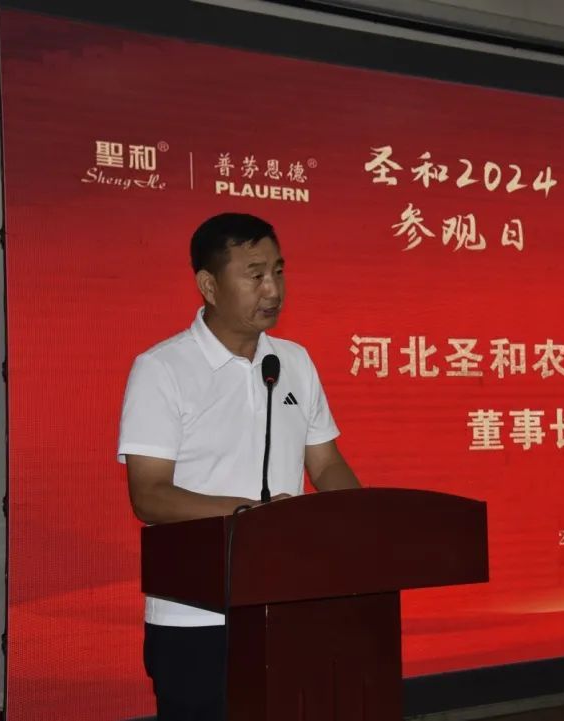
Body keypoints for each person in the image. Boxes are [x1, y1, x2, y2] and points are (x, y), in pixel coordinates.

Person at [117, 212, 360, 720]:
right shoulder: (162, 369)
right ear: (209, 285)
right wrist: (255, 514)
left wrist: (364, 521)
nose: (273, 289)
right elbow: (149, 494)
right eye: (255, 275)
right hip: (195, 614)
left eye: (278, 271)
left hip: (286, 599)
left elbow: (326, 464)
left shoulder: (294, 362)